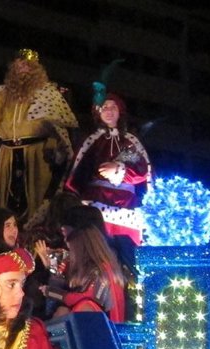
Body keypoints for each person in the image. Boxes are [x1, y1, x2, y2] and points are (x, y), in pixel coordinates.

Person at [0, 48, 77, 220]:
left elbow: (60, 130)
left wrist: (59, 152)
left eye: (27, 65)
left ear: (36, 69)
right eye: (19, 65)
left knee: (36, 200)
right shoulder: (2, 93)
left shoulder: (47, 93)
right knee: (9, 201)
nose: (22, 68)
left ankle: (36, 230)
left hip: (37, 156)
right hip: (8, 156)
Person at [64, 92, 151, 257]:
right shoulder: (91, 140)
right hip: (96, 201)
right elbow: (78, 172)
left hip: (126, 205)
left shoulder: (130, 141)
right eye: (104, 107)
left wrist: (120, 170)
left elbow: (142, 170)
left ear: (120, 112)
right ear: (98, 112)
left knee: (126, 253)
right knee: (96, 247)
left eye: (113, 107)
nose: (109, 111)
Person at [40, 225, 127, 324]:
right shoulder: (99, 269)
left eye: (71, 250)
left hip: (103, 327)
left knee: (66, 311)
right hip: (103, 324)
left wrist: (51, 292)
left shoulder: (103, 272)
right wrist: (51, 269)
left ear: (81, 250)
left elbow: (85, 298)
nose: (70, 255)